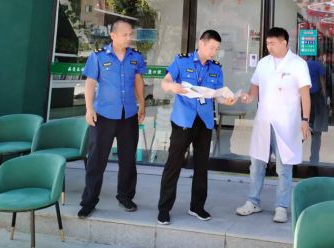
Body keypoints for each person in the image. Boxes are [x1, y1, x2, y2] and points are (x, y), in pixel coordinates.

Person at [157, 30, 234, 225]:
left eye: (217, 49)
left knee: (201, 166)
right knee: (174, 164)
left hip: (205, 121)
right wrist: (172, 87)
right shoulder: (182, 61)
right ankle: (164, 208)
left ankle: (197, 206)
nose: (214, 52)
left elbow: (218, 94)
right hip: (184, 119)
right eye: (212, 48)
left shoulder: (216, 68)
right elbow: (165, 82)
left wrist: (227, 99)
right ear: (201, 43)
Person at [236, 27, 311, 224]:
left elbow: (305, 95)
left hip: (287, 123)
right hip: (264, 121)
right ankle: (253, 201)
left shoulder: (298, 64)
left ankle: (281, 207)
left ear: (284, 43)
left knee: (284, 167)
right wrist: (248, 97)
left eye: (272, 43)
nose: (269, 47)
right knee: (256, 164)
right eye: (267, 43)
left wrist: (305, 120)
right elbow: (254, 90)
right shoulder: (263, 63)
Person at [78, 20, 146, 218]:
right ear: (113, 35)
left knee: (128, 160)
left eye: (131, 34)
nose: (129, 38)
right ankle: (89, 201)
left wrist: (142, 105)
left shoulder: (135, 57)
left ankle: (125, 196)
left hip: (129, 116)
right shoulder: (98, 56)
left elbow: (138, 82)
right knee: (96, 161)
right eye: (125, 34)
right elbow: (90, 83)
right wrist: (89, 109)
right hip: (103, 116)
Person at [304, 55, 328, 165]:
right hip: (316, 97)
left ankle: (294, 159)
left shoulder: (304, 64)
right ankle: (314, 159)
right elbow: (322, 79)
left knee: (302, 129)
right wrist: (324, 92)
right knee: (317, 132)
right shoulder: (318, 65)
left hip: (305, 97)